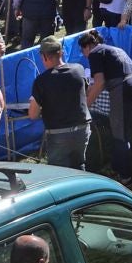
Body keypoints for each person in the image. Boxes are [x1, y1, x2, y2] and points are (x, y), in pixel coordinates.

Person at [76, 31, 132, 183]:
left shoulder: (95, 53)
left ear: (87, 47)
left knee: (119, 134)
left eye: (83, 51)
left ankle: (124, 176)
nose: (85, 55)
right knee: (123, 132)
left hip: (123, 90)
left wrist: (85, 107)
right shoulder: (113, 49)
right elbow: (102, 80)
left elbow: (99, 83)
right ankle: (118, 166)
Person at [27, 37, 92, 169]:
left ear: (44, 57)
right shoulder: (79, 70)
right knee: (79, 166)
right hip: (82, 129)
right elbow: (86, 92)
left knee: (59, 173)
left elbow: (33, 115)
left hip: (58, 134)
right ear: (61, 53)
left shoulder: (41, 81)